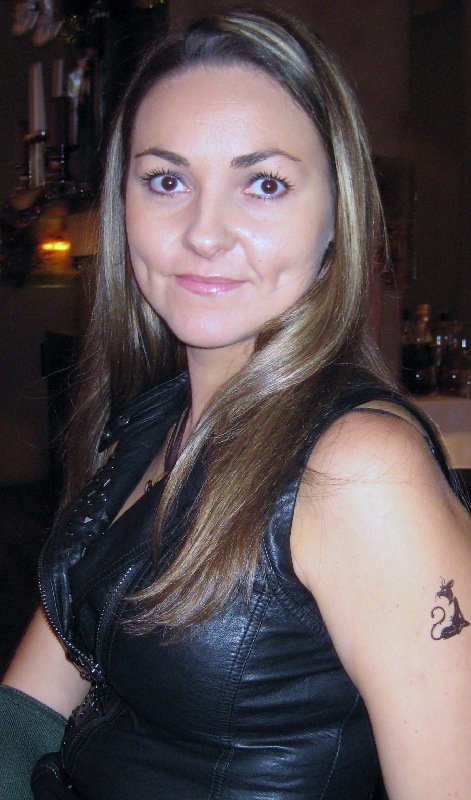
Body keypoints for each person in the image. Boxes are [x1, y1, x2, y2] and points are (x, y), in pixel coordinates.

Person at [1, 8, 471, 800]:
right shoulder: (149, 425)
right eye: (166, 180)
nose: (204, 232)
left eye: (264, 184)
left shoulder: (360, 470)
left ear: (336, 218)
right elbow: (29, 707)